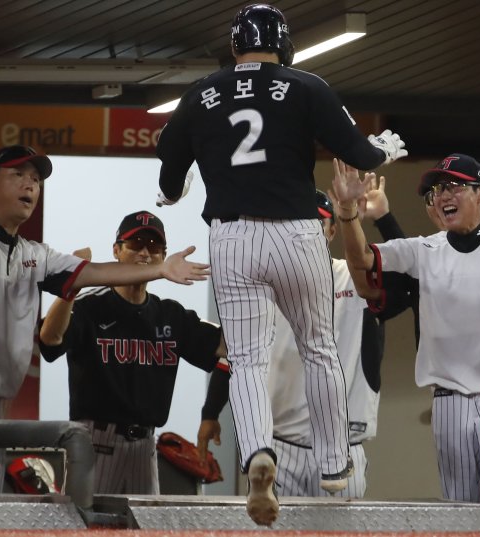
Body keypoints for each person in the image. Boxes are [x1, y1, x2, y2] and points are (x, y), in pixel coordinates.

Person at [154, 3, 407, 525]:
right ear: (283, 43)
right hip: (297, 231)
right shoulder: (306, 84)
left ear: (234, 47)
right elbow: (358, 152)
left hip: (232, 235)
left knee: (247, 358)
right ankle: (335, 464)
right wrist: (381, 151)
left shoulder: (200, 93)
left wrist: (174, 191)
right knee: (319, 348)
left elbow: (168, 174)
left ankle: (256, 457)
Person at [0, 145, 209, 493]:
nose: (30, 185)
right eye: (19, 175)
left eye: (35, 180)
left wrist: (161, 270)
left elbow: (95, 272)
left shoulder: (35, 254)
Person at [332, 154, 480, 502]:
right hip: (448, 400)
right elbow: (362, 261)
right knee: (460, 507)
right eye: (437, 190)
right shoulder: (423, 249)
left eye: (454, 186)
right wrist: (348, 211)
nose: (443, 195)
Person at [198, 187, 413, 498]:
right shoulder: (262, 283)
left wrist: (383, 217)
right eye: (296, 221)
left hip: (344, 446)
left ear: (332, 229)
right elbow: (234, 353)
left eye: (315, 221)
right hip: (281, 446)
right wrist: (210, 412)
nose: (305, 228)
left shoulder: (353, 279)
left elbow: (406, 283)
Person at [38, 211, 229, 494]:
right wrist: (71, 287)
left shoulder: (170, 315)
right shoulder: (90, 306)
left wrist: (210, 412)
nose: (144, 252)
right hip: (95, 444)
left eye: (153, 246)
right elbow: (50, 340)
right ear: (116, 250)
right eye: (135, 243)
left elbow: (229, 348)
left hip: (145, 448)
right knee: (86, 530)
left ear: (163, 257)